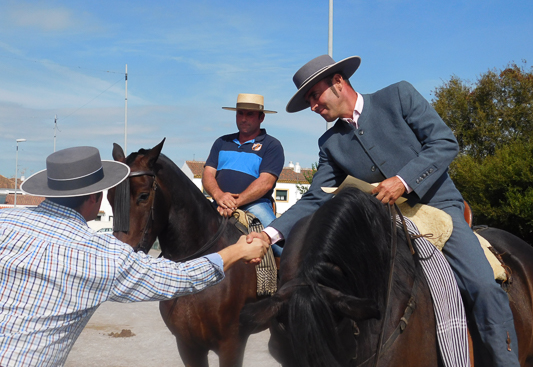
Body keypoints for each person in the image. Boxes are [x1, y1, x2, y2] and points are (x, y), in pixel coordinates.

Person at [250, 54, 519, 366]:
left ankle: (504, 360)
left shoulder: (399, 96)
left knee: (483, 285)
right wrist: (268, 235)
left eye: (314, 95)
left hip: (438, 211)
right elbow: (315, 198)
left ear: (338, 82)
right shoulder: (329, 143)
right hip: (380, 226)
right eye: (309, 100)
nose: (312, 106)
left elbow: (444, 142)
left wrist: (403, 182)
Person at [0, 146, 268, 367]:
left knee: (280, 242)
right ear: (96, 196)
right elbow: (179, 278)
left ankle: (276, 294)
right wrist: (239, 250)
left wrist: (236, 199)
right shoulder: (101, 257)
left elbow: (267, 179)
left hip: (248, 202)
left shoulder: (5, 221)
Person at [203, 93, 284, 255]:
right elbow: (208, 174)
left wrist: (235, 202)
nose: (243, 118)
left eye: (250, 114)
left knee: (281, 246)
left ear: (261, 117)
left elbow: (266, 182)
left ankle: (286, 279)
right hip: (219, 202)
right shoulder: (221, 142)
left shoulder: (272, 145)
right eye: (240, 113)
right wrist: (219, 196)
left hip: (256, 205)